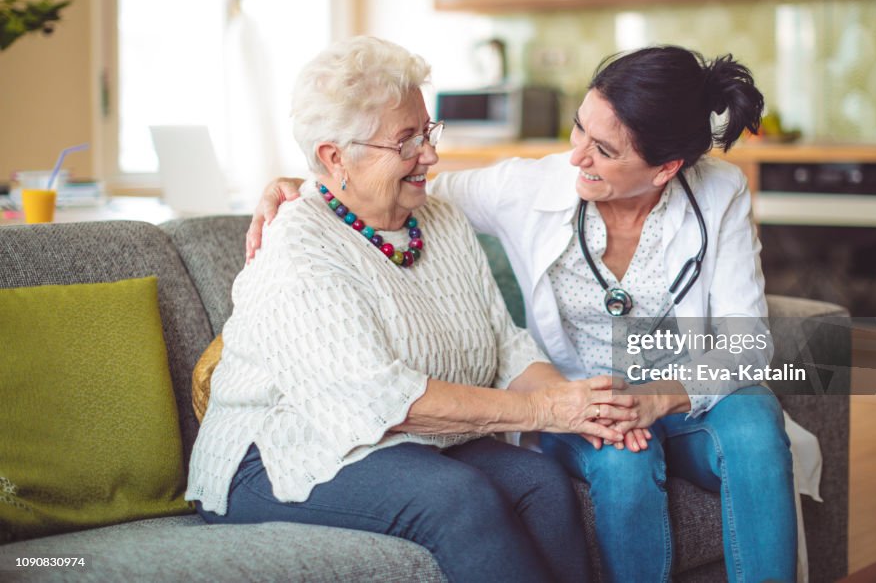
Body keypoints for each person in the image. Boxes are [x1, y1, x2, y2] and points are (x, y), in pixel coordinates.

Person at [250, 45, 800, 583]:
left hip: (683, 398)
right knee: (622, 458)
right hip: (584, 391)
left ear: (666, 168)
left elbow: (745, 347)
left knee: (753, 420)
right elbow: (397, 192)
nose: (577, 156)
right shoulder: (529, 185)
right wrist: (313, 188)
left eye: (605, 150)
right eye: (579, 128)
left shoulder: (719, 193)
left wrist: (657, 398)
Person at [186, 36, 643, 583]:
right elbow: (384, 401)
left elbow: (505, 346)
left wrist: (580, 402)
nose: (429, 154)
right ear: (335, 158)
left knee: (539, 483)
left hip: (403, 443)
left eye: (427, 132)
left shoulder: (440, 219)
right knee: (456, 497)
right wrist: (546, 411)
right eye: (406, 141)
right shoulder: (298, 247)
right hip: (278, 451)